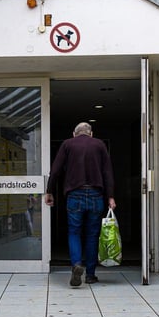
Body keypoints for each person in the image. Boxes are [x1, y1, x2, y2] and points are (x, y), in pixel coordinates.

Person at [44, 122, 116, 287]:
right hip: (96, 195)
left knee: (74, 232)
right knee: (92, 235)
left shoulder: (67, 144)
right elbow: (108, 172)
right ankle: (90, 275)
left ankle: (76, 264)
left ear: (74, 133)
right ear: (91, 133)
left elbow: (55, 170)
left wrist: (49, 191)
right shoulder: (99, 144)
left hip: (74, 194)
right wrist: (110, 196)